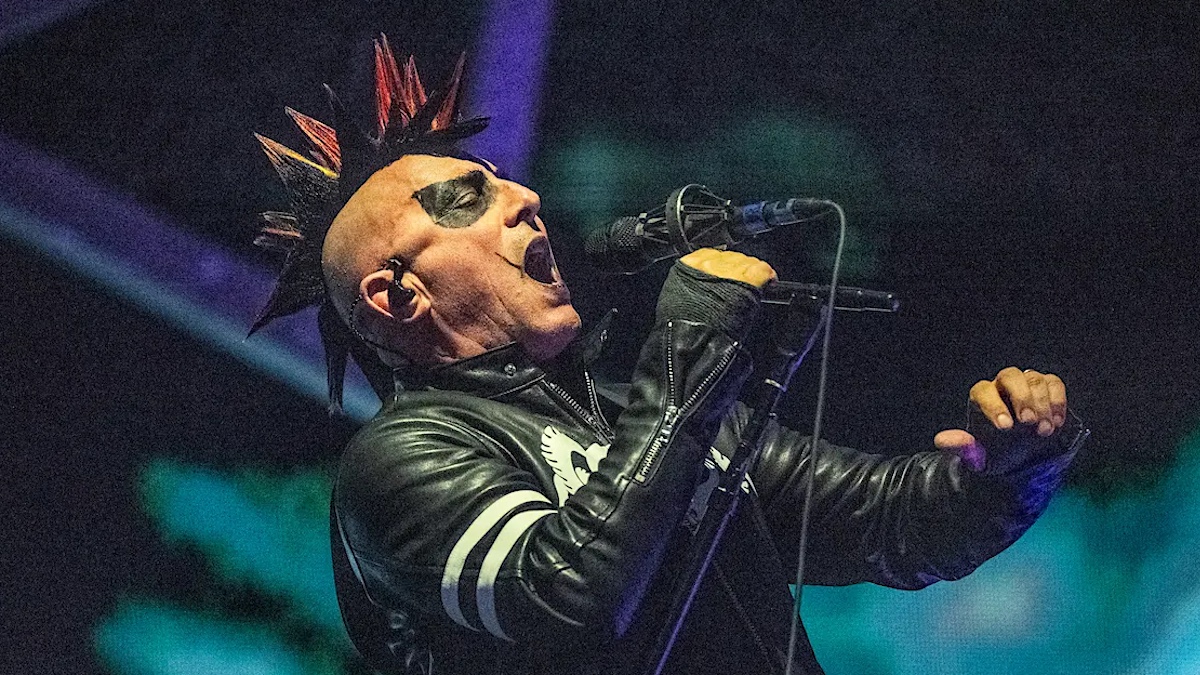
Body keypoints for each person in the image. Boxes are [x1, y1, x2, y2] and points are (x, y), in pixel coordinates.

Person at [252, 38, 1088, 675]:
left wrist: (1010, 470)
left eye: (505, 179)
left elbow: (889, 520)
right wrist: (690, 344)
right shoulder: (398, 463)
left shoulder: (632, 409)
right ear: (398, 294)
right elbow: (571, 602)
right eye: (468, 197)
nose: (527, 198)